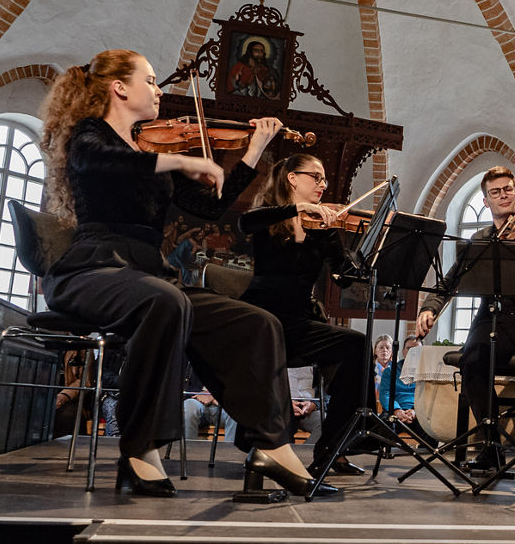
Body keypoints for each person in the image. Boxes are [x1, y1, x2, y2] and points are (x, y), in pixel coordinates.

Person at [38, 49, 314, 498]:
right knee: (164, 301)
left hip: (150, 271)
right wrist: (183, 162)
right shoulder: (90, 136)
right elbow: (101, 162)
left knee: (257, 323)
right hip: (91, 267)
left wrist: (253, 152)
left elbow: (211, 207)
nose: (159, 90)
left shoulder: (153, 148)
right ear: (119, 87)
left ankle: (271, 445)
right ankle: (139, 449)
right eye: (149, 80)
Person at [414, 166, 515, 482]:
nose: (503, 195)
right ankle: (491, 442)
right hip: (493, 316)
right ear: (486, 201)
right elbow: (450, 281)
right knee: (472, 359)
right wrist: (429, 309)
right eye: (495, 192)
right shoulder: (478, 240)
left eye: (508, 189)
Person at [237, 152, 370, 484]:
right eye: (316, 177)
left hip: (297, 322)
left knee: (356, 345)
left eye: (325, 179)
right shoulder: (268, 217)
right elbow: (245, 222)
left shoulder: (322, 227)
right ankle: (262, 444)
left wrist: (360, 256)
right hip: (263, 320)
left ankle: (334, 447)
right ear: (292, 178)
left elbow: (342, 272)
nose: (323, 185)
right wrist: (297, 209)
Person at [374, 334, 438, 447]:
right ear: (403, 351)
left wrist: (415, 411)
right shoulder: (390, 371)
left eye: (417, 349)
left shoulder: (428, 372)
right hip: (393, 411)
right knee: (382, 426)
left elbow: (428, 396)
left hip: (418, 413)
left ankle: (425, 459)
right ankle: (388, 457)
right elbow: (385, 394)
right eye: (409, 348)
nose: (413, 352)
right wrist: (397, 410)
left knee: (432, 428)